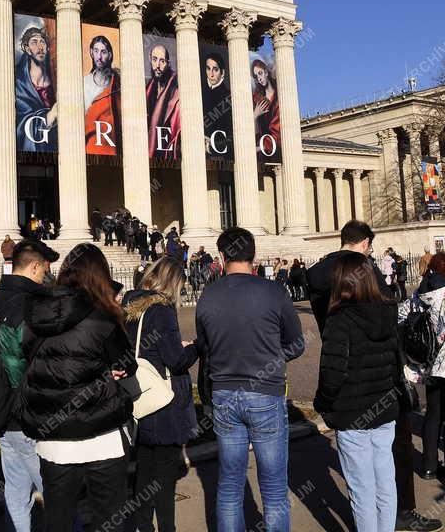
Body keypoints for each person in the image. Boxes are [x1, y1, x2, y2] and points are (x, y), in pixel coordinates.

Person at [195, 227, 305, 532]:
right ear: (253, 255)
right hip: (265, 393)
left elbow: (205, 346)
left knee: (229, 485)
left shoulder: (207, 296)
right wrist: (271, 358)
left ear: (221, 256)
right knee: (273, 489)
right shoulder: (273, 292)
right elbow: (296, 345)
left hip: (225, 394)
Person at [20, 243, 136, 532]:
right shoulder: (103, 316)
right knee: (109, 519)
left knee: (57, 520)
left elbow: (28, 360)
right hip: (102, 436)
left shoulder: (35, 315)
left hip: (54, 438)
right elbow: (126, 363)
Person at [315, 252, 403, 531]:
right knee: (385, 481)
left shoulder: (340, 318)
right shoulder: (389, 311)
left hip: (352, 413)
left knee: (361, 488)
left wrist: (323, 403)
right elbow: (395, 362)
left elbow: (333, 371)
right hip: (384, 406)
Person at [0, 239, 58, 532]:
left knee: (16, 491)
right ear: (35, 265)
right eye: (45, 268)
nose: (47, 275)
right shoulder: (37, 305)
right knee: (57, 493)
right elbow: (41, 362)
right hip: (31, 415)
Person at [123, 258, 199, 532]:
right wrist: (194, 348)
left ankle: (144, 526)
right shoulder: (162, 310)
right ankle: (167, 527)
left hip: (140, 396)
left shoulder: (130, 307)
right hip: (163, 399)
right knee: (166, 475)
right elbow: (176, 360)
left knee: (144, 468)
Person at [399, 251, 445, 489]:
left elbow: (401, 316)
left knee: (434, 413)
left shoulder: (421, 293)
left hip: (429, 360)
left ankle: (429, 465)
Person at [307, 220, 391, 334]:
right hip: (366, 345)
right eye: (369, 248)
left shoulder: (315, 271)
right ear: (365, 243)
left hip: (332, 344)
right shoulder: (365, 268)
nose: (369, 252)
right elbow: (387, 308)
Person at [14, 25, 58, 152]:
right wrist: (49, 117)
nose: (40, 47)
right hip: (33, 150)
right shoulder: (19, 83)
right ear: (27, 49)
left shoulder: (55, 79)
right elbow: (20, 124)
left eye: (42, 42)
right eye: (34, 42)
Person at [84, 34, 121, 155]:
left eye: (103, 52)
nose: (99, 57)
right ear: (91, 52)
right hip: (91, 145)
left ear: (109, 55)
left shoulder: (118, 82)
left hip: (115, 144)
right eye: (96, 51)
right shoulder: (84, 83)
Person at [145, 43, 181, 159]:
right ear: (150, 60)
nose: (158, 66)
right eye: (155, 60)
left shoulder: (177, 92)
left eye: (162, 61)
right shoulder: (148, 89)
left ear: (168, 64)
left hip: (168, 154)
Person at [201, 51, 233, 159]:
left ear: (222, 72)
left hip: (220, 153)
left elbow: (231, 131)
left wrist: (211, 145)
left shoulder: (229, 97)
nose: (211, 74)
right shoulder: (199, 92)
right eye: (208, 68)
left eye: (215, 69)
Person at [251, 59, 280, 158]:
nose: (259, 78)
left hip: (274, 150)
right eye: (256, 76)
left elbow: (278, 134)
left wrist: (257, 148)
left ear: (266, 72)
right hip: (260, 151)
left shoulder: (279, 95)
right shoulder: (256, 98)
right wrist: (255, 115)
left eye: (260, 73)